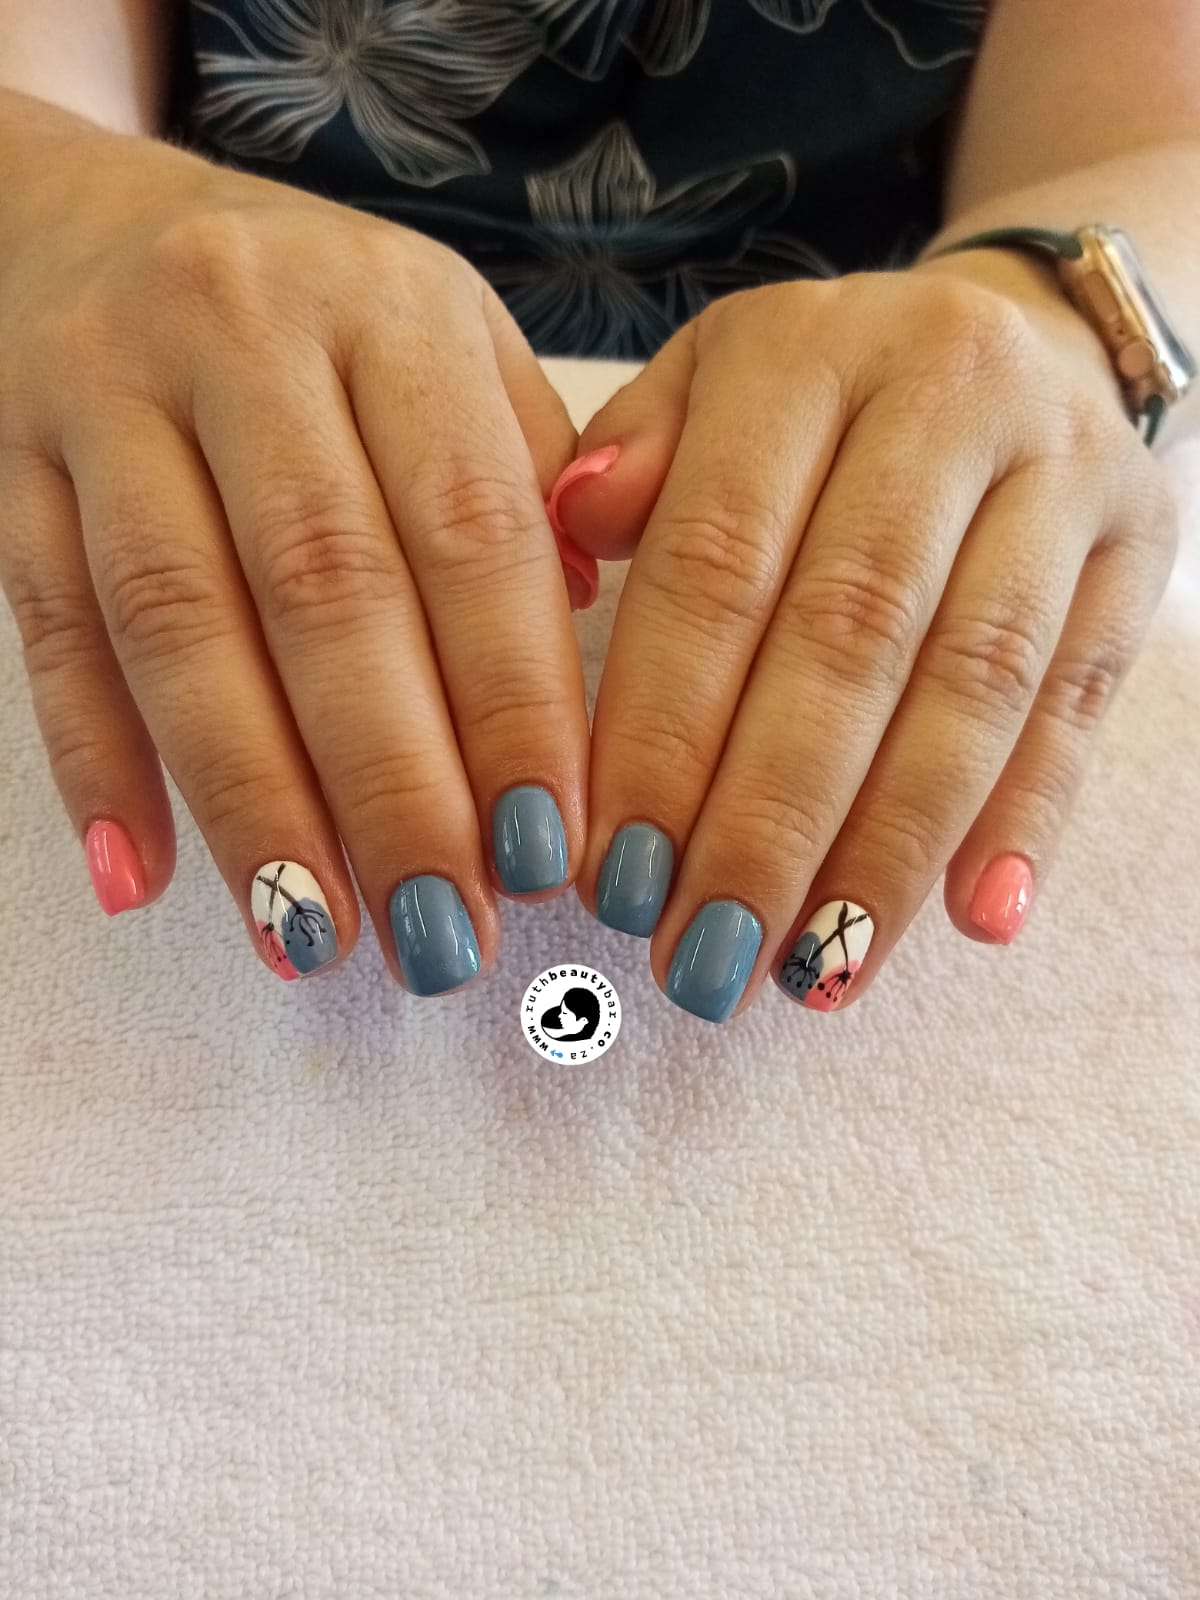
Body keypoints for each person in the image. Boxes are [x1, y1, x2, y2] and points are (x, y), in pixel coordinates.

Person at [0, 1, 1194, 1023]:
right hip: (207, 397)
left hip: (898, 442)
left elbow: (1156, 135)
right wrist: (79, 212)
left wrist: (1049, 310)